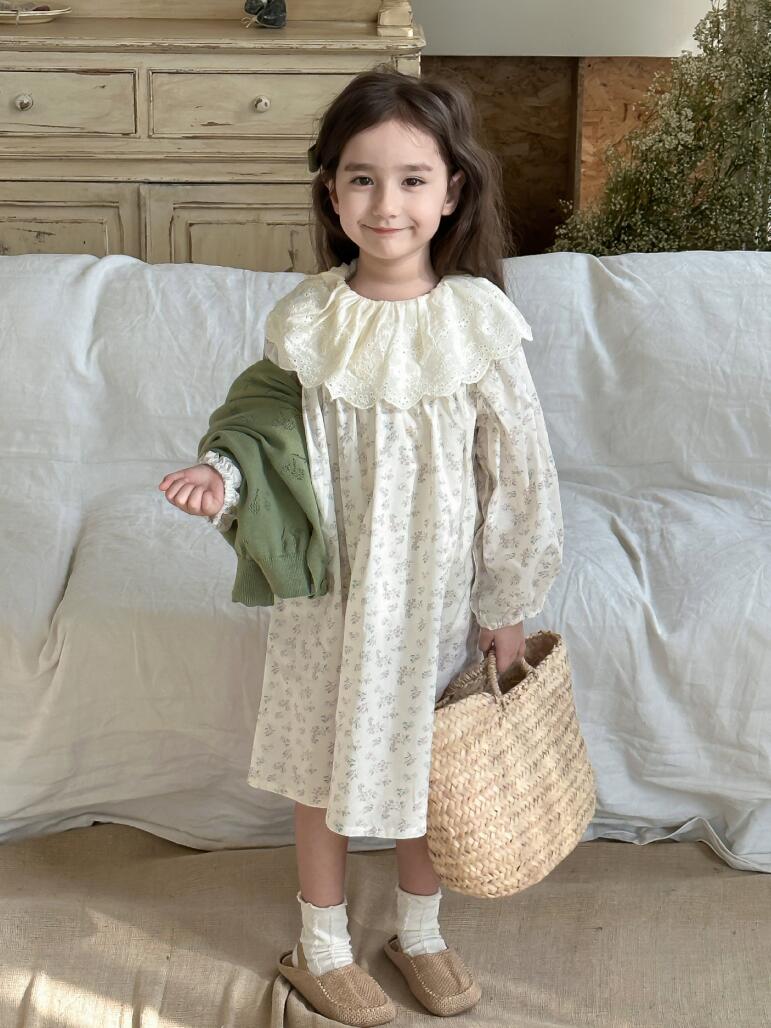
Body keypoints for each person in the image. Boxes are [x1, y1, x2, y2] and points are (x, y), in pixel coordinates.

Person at [158, 67, 564, 1025]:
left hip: (434, 601)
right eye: (362, 178)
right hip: (329, 598)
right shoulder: (308, 319)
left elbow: (518, 472)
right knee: (321, 766)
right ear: (331, 192)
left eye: (412, 178)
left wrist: (506, 603)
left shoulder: (475, 320)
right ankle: (322, 943)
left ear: (452, 190)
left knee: (428, 768)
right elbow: (265, 430)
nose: (387, 203)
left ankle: (418, 932)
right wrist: (222, 473)